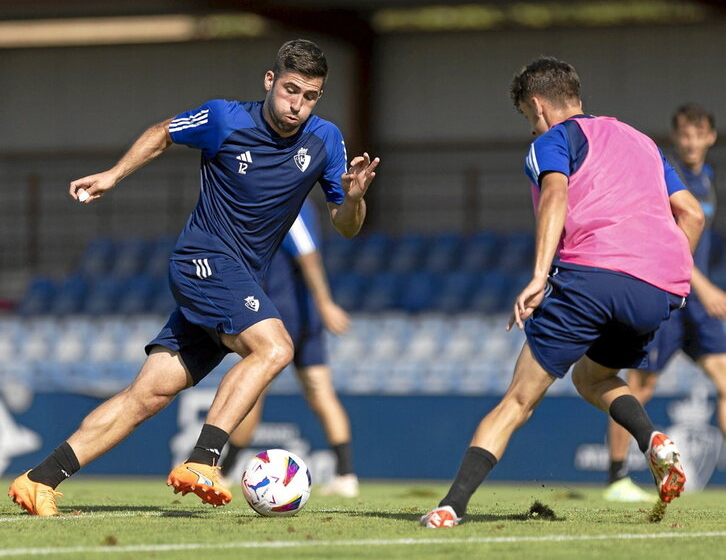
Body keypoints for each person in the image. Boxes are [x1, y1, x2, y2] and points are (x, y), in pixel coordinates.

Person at [8, 38, 379, 517]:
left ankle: (39, 479)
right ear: (270, 81)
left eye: (310, 97)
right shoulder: (226, 118)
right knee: (275, 347)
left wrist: (353, 198)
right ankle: (203, 460)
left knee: (148, 394)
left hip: (240, 277)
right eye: (290, 91)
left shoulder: (325, 139)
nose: (298, 105)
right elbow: (164, 132)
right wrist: (114, 175)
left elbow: (346, 227)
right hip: (203, 259)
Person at [420, 56, 705, 528]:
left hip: (591, 276)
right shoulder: (643, 142)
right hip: (655, 290)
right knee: (592, 379)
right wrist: (672, 275)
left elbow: (556, 195)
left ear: (538, 105)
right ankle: (653, 439)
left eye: (528, 118)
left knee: (517, 401)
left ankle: (451, 507)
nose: (532, 128)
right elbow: (691, 214)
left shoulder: (555, 140)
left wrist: (537, 276)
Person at [604, 103, 726, 502]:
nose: (691, 141)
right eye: (684, 134)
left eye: (699, 134)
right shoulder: (666, 178)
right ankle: (617, 477)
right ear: (676, 137)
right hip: (673, 296)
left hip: (698, 307)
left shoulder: (707, 179)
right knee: (639, 386)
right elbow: (670, 242)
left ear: (710, 137)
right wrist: (704, 287)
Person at [218, 197, 360, 497]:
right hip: (306, 316)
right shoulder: (295, 205)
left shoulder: (284, 202)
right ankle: (346, 476)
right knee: (321, 392)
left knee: (252, 391)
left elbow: (307, 254)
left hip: (283, 315)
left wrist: (324, 302)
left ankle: (226, 472)